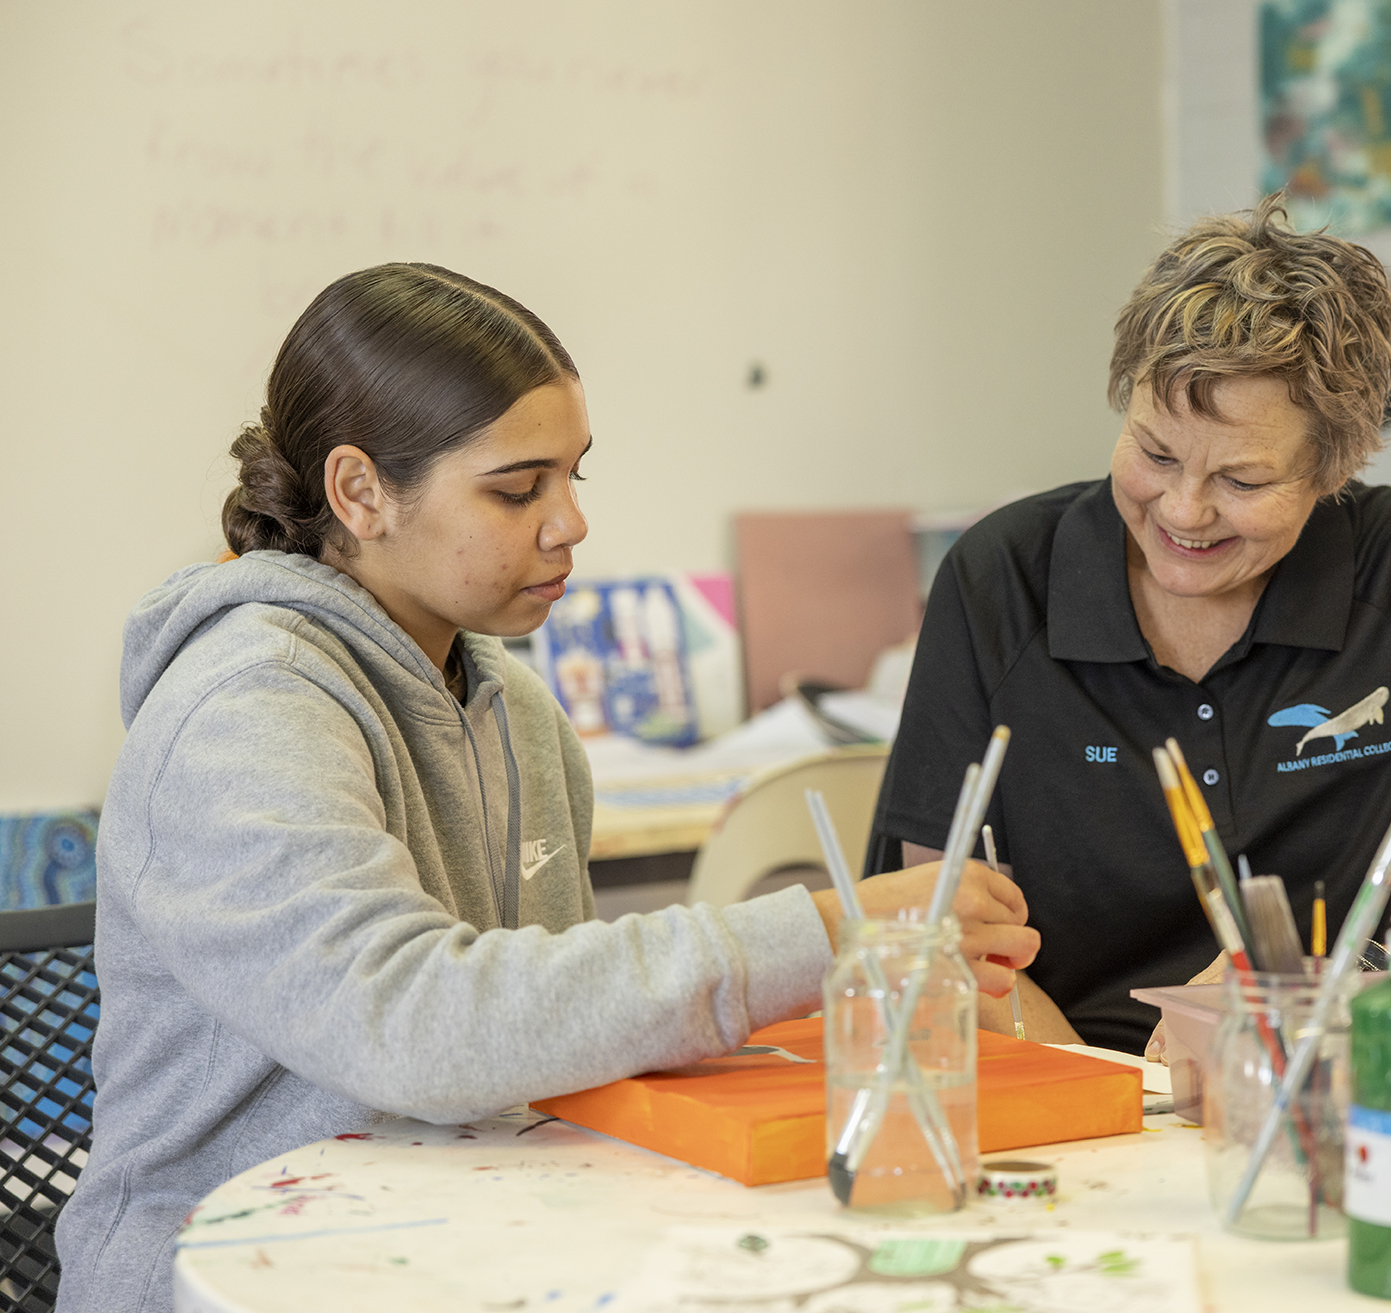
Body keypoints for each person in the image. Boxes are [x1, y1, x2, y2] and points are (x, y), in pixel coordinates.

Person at [55, 264, 1039, 1313]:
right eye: (517, 489)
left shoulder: (518, 712)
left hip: (459, 1247)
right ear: (359, 492)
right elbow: (411, 1023)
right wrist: (823, 933)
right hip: (234, 1275)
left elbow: (537, 1042)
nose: (568, 522)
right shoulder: (244, 707)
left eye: (575, 475)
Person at [866, 198, 1391, 1054]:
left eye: (1241, 479)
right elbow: (943, 936)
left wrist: (1318, 987)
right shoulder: (999, 580)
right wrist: (1119, 1098)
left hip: (1335, 1056)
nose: (1183, 510)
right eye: (1155, 453)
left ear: (1333, 468)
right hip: (1069, 1076)